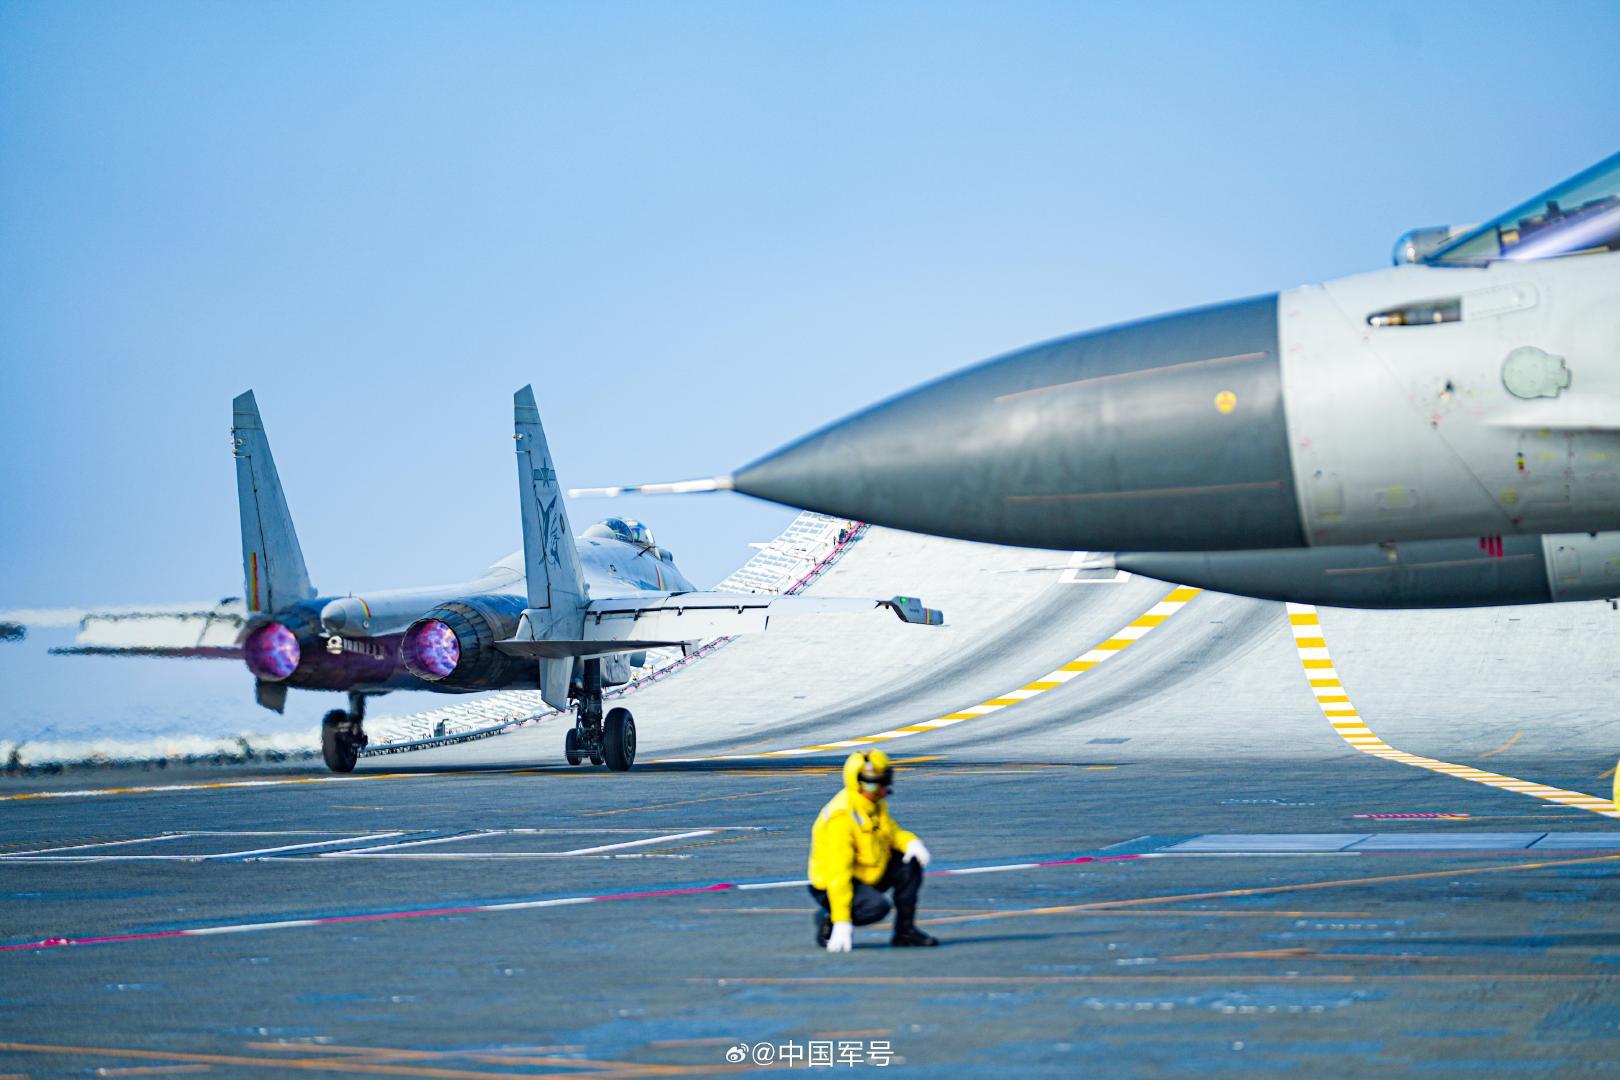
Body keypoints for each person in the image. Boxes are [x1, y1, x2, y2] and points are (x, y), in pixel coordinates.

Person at [807, 750, 939, 951]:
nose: (884, 790)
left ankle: (905, 932)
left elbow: (891, 832)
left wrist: (911, 843)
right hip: (835, 884)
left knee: (909, 864)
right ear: (859, 784)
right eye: (876, 784)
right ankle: (830, 919)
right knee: (875, 908)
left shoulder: (872, 804)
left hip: (868, 871)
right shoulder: (841, 817)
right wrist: (842, 921)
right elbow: (838, 874)